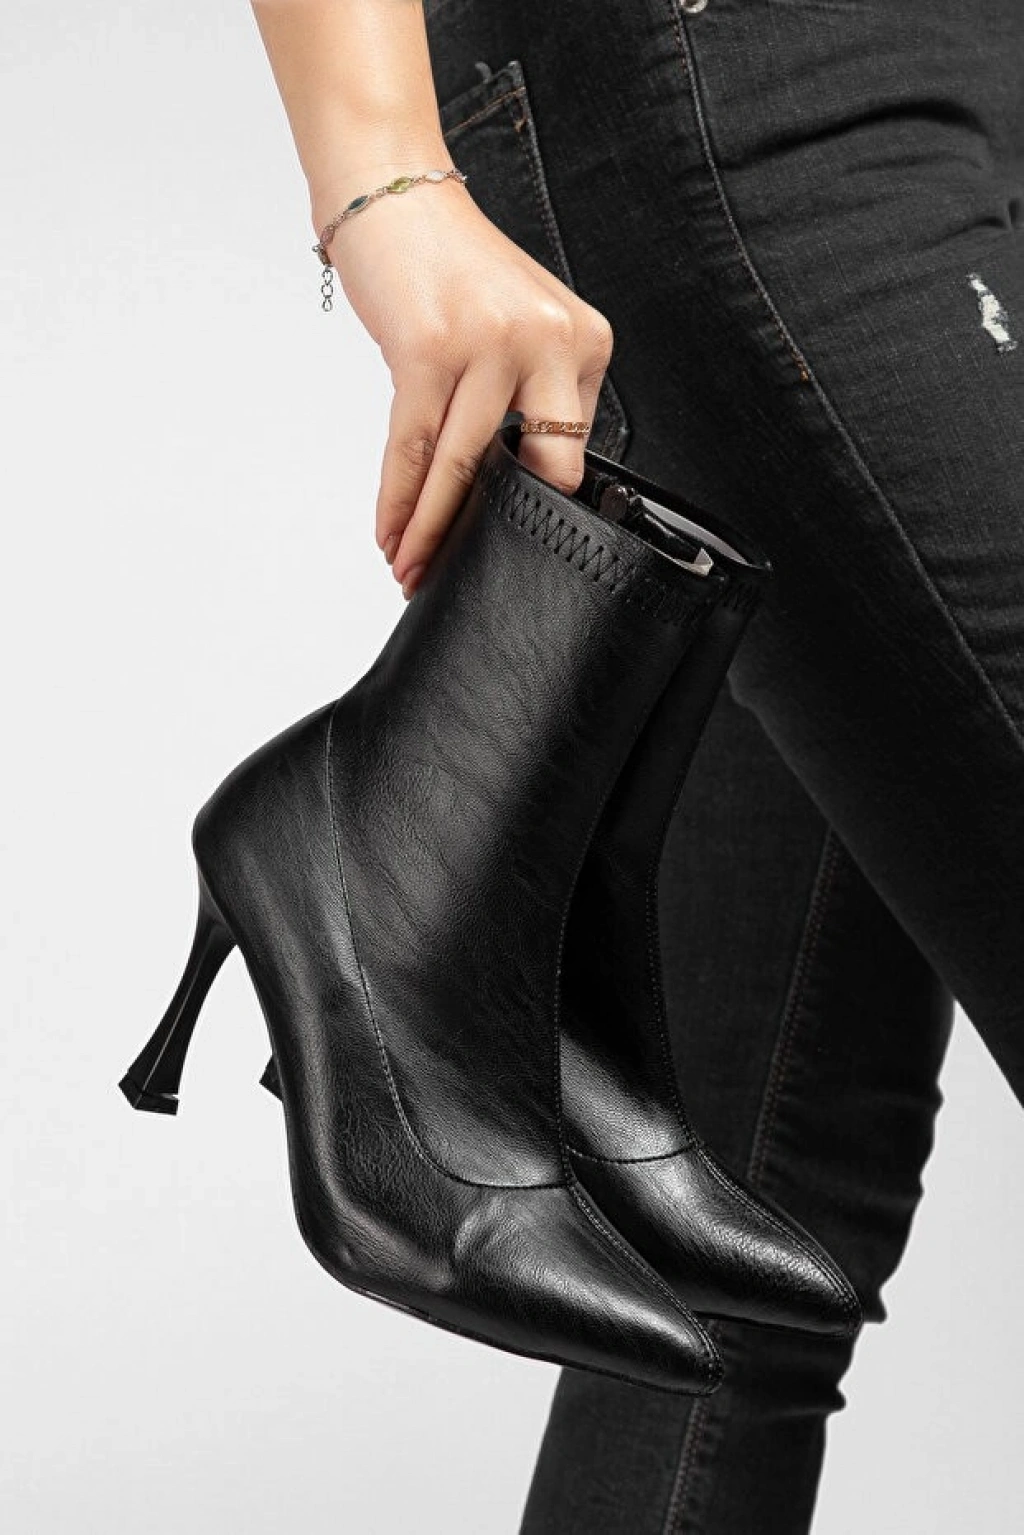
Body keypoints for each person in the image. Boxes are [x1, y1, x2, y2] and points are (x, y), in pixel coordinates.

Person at [248, 2, 1024, 1530]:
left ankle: (329, 836)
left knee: (743, 1225)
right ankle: (349, 846)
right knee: (737, 1234)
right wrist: (376, 165)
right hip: (750, 87)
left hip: (965, 91)